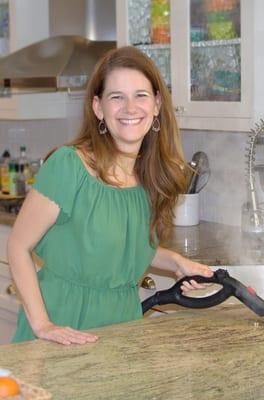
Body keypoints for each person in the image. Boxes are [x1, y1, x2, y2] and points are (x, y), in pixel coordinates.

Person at [7, 46, 213, 345]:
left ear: (156, 104)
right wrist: (42, 325)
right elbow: (17, 245)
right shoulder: (69, 166)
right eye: (116, 97)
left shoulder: (154, 177)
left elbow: (118, 245)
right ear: (98, 107)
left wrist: (175, 262)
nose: (130, 108)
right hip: (64, 325)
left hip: (123, 327)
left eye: (140, 95)